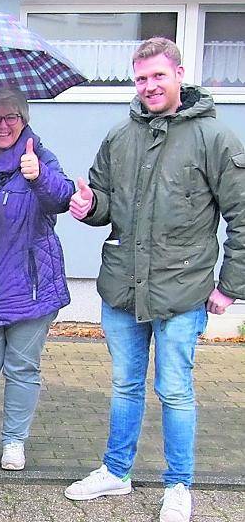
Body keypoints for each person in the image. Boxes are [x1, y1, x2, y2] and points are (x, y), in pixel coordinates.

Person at [65, 37, 245, 522]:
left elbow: (242, 216)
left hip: (182, 293)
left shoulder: (215, 138)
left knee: (176, 390)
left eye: (158, 76)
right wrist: (87, 207)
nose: (148, 86)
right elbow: (102, 201)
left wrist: (230, 286)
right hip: (123, 288)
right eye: (140, 78)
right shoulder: (120, 136)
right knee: (125, 386)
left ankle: (178, 485)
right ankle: (116, 472)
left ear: (179, 75)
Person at [0, 86, 74, 471]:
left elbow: (63, 198)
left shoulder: (39, 157)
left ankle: (14, 441)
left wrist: (38, 177)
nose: (2, 125)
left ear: (24, 120)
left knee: (23, 366)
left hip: (30, 283)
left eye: (11, 118)